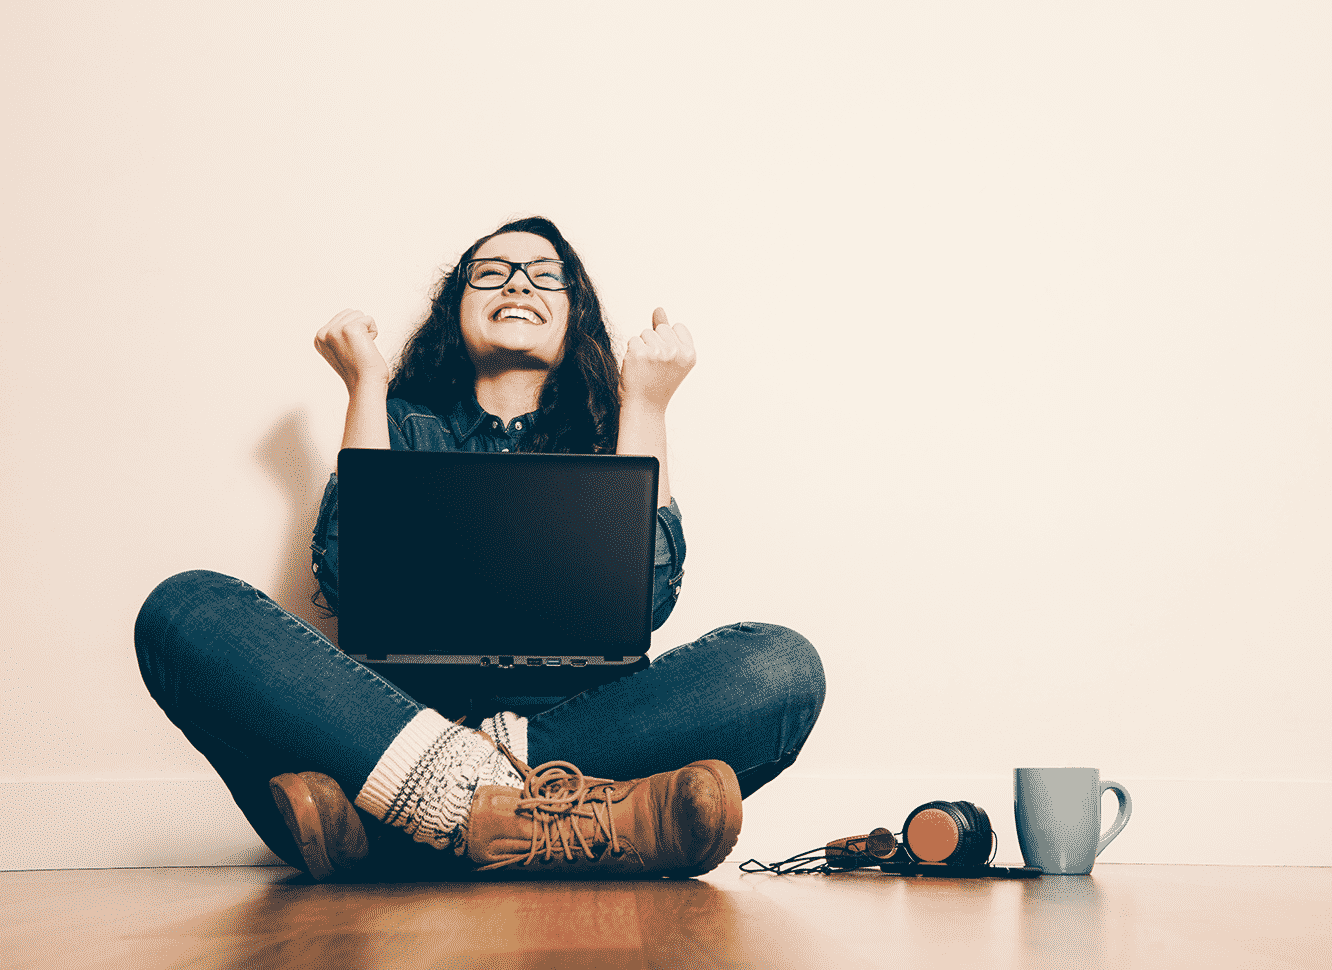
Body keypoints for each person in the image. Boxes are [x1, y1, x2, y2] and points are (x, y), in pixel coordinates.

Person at [135, 217, 825, 881]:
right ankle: (552, 823)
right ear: (454, 309)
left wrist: (644, 404)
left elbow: (647, 602)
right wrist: (365, 386)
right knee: (186, 610)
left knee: (781, 668)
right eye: (491, 273)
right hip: (394, 713)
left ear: (574, 313)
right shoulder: (399, 423)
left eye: (544, 276)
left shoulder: (605, 435)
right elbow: (352, 579)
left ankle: (415, 829)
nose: (517, 284)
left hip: (576, 726)